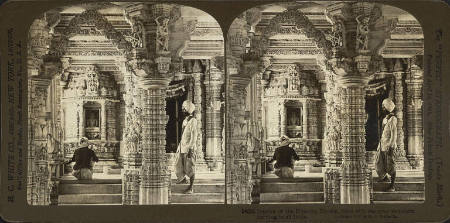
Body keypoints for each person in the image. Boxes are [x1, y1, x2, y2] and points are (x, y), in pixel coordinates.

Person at [175, 100, 198, 194]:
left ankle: (191, 188)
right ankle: (183, 179)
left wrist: (190, 148)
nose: (182, 110)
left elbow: (194, 135)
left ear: (188, 109)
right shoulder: (185, 120)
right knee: (178, 163)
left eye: (184, 108)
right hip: (182, 146)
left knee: (190, 167)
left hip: (189, 147)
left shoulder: (193, 120)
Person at [375, 98, 398, 192]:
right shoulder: (385, 118)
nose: (382, 108)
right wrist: (380, 144)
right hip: (382, 145)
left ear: (387, 108)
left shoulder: (393, 119)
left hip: (389, 145)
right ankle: (384, 177)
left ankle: (392, 186)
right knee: (379, 163)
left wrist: (391, 146)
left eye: (383, 107)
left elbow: (394, 134)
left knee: (390, 165)